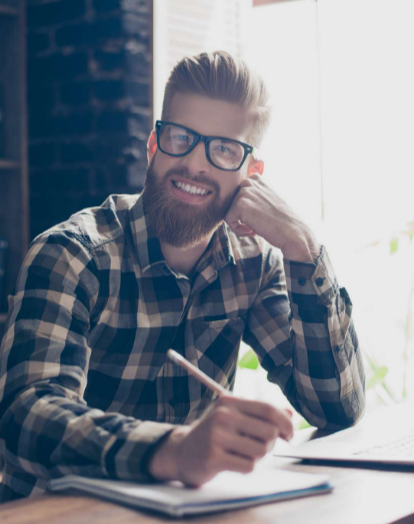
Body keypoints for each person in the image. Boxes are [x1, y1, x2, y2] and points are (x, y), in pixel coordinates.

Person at [0, 51, 365, 502]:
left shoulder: (256, 265)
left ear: (252, 175)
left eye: (224, 149)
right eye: (181, 137)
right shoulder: (72, 254)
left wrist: (303, 246)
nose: (195, 164)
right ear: (154, 146)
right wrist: (171, 449)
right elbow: (25, 418)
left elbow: (337, 409)